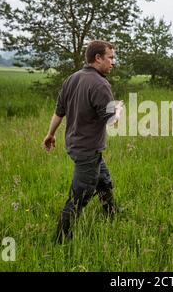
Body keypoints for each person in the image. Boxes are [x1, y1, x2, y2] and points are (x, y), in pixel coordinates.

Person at [42, 40, 123, 243]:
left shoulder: (72, 78)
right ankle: (61, 240)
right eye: (110, 58)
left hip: (76, 145)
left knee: (103, 180)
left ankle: (112, 214)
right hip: (87, 150)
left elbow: (59, 112)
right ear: (98, 58)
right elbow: (112, 121)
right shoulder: (100, 84)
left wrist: (50, 134)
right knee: (80, 196)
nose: (113, 62)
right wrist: (119, 109)